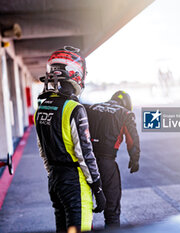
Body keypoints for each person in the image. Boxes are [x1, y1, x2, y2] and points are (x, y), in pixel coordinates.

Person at [34, 46, 106, 232]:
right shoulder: (74, 108)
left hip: (55, 181)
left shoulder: (41, 107)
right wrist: (97, 188)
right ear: (75, 73)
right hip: (75, 182)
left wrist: (54, 174)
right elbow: (85, 153)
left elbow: (43, 150)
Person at [84, 90, 140, 227]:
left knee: (84, 208)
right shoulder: (125, 113)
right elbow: (132, 139)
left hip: (85, 161)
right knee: (112, 209)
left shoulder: (91, 107)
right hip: (106, 163)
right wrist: (134, 159)